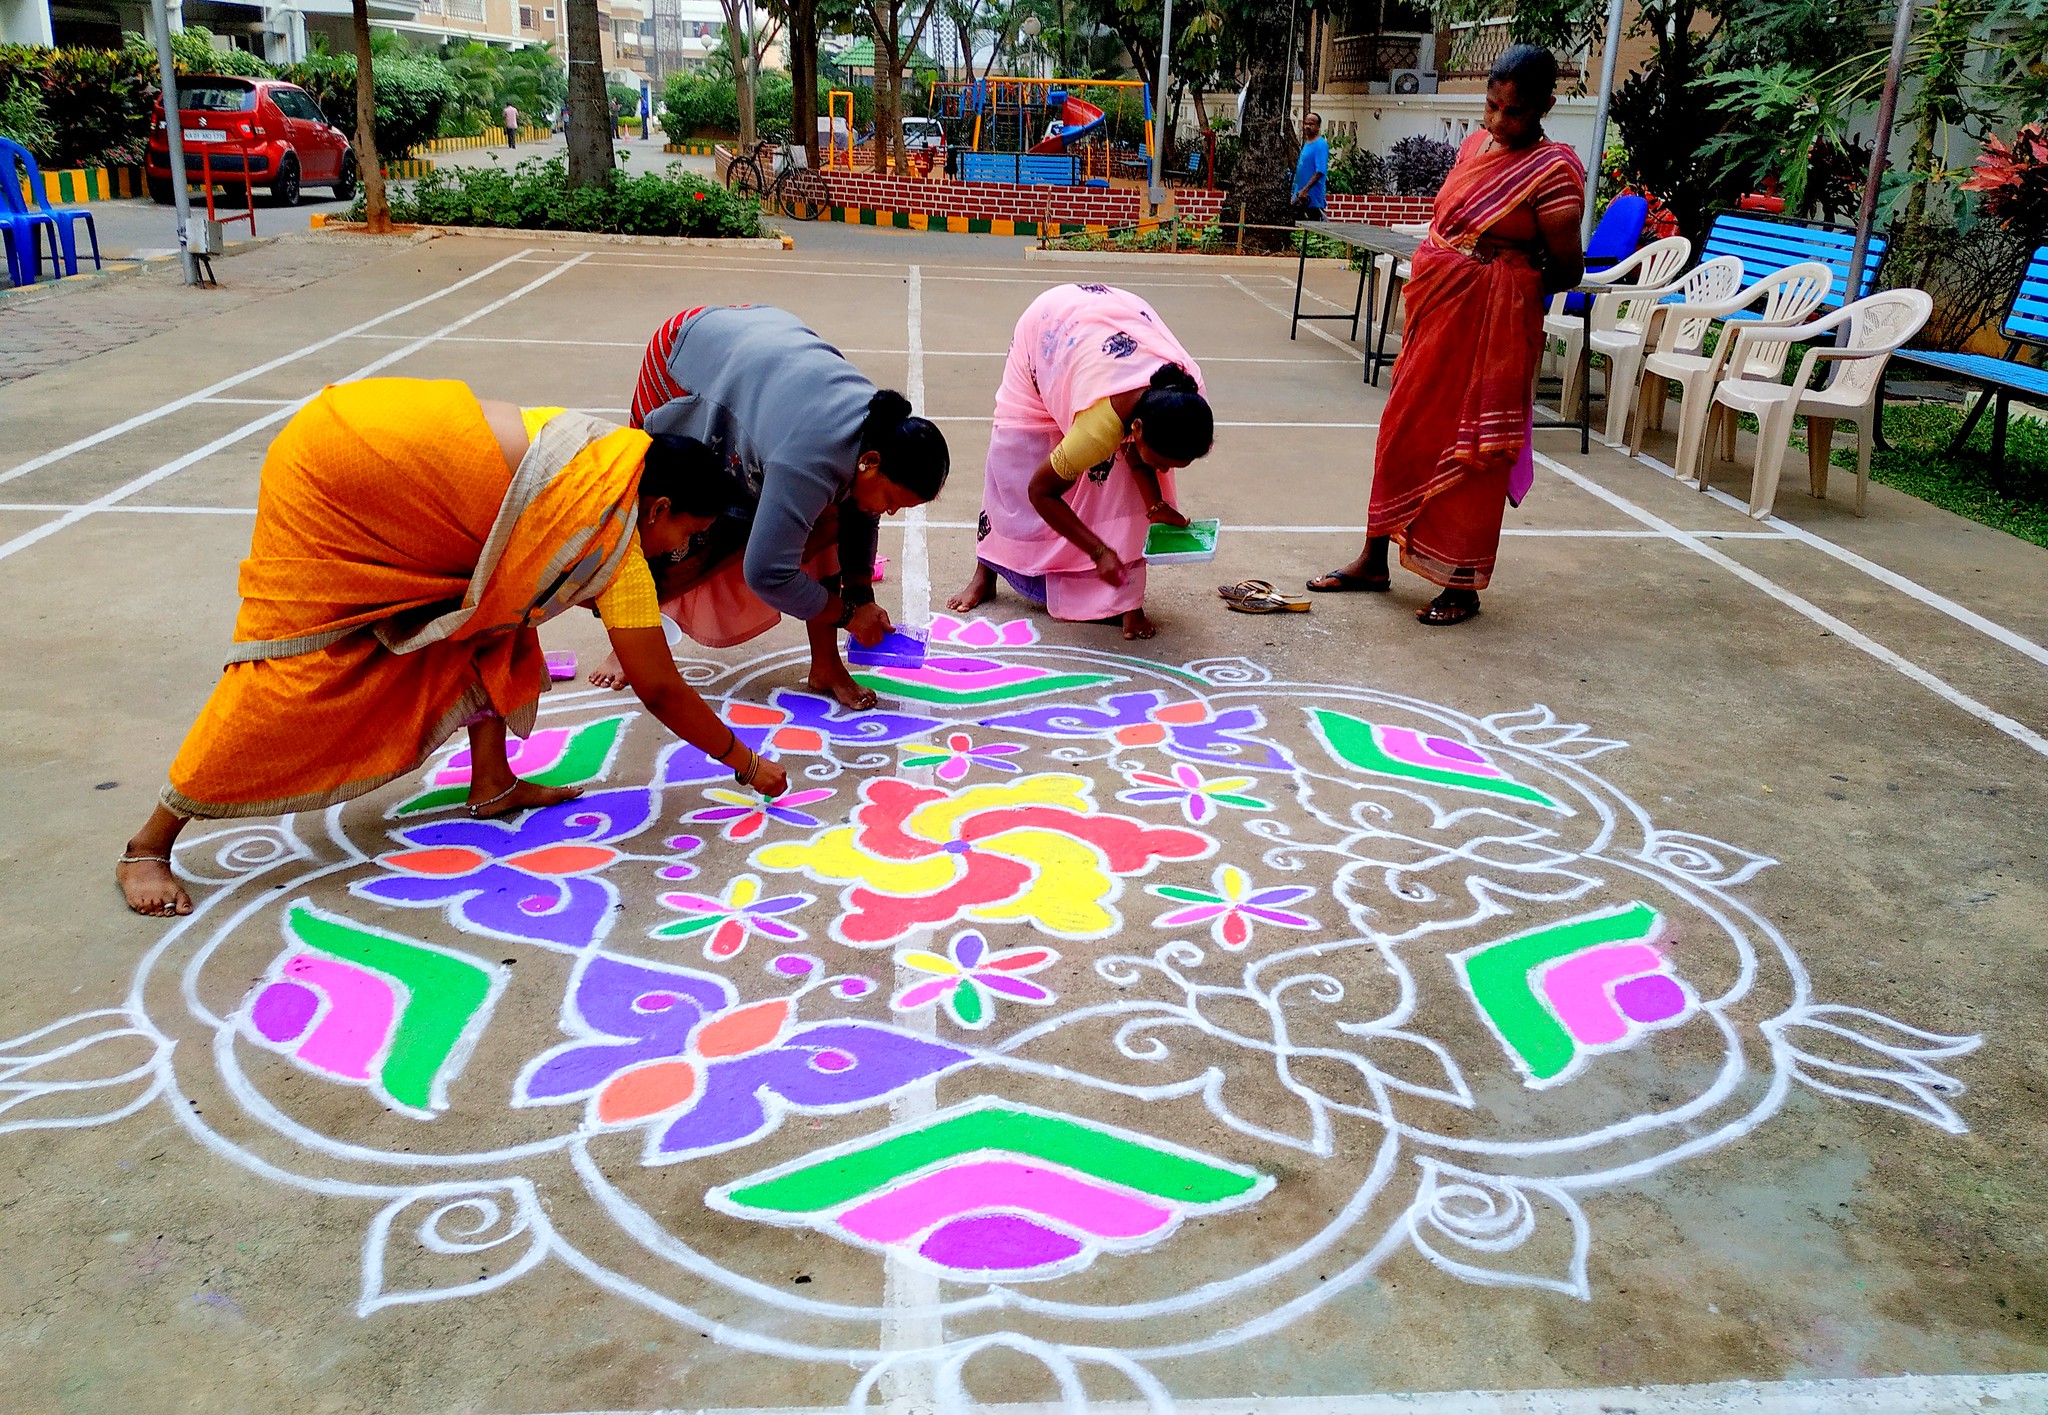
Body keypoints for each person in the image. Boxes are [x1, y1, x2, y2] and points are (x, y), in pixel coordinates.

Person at [117, 379, 791, 918]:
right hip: (343, 476)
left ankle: (492, 782)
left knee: (495, 618)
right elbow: (661, 686)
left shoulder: (611, 457)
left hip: (369, 426)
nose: (684, 549)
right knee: (298, 666)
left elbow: (516, 560)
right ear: (658, 508)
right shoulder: (614, 540)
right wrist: (745, 762)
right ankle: (149, 844)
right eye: (688, 533)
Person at [1308, 46, 1585, 626]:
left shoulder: (1554, 170)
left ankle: (1461, 586)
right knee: (1402, 429)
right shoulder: (1473, 146)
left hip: (1491, 329)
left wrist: (1501, 275)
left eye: (1513, 112)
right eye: (1491, 106)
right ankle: (1373, 558)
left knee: (1473, 450)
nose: (1497, 122)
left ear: (1542, 108)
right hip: (1436, 316)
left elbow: (1565, 268)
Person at [588, 304, 950, 710]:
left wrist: (861, 593)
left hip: (757, 353)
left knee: (824, 515)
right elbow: (765, 572)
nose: (890, 513)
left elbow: (859, 512)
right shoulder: (809, 459)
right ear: (871, 463)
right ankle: (629, 637)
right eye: (893, 502)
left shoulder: (878, 429)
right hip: (685, 364)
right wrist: (847, 613)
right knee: (665, 519)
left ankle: (825, 666)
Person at [947, 283, 1213, 641]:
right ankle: (986, 571)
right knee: (1015, 458)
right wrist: (1098, 550)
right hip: (1050, 330)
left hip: (1111, 327)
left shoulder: (1188, 398)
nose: (1163, 471)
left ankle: (1126, 602)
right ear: (1135, 429)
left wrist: (1155, 504)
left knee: (1116, 486)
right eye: (1162, 462)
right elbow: (1040, 492)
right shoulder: (1099, 427)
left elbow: (1136, 449)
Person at [1293, 111, 1329, 221]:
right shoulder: (1307, 143)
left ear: (1318, 126)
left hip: (1311, 197)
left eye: (1311, 124)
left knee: (1315, 227)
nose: (1308, 126)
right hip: (1300, 196)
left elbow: (1320, 171)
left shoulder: (1320, 144)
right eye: (1306, 123)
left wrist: (1305, 190)